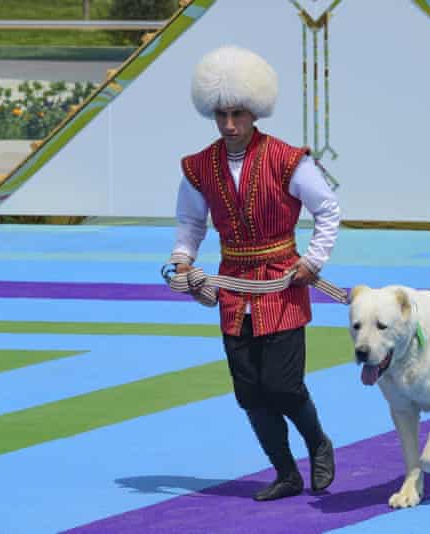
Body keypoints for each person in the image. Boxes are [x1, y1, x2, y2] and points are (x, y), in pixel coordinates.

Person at [167, 45, 341, 502]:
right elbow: (190, 223)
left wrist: (313, 261)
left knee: (282, 386)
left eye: (238, 114)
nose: (229, 125)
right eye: (221, 114)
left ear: (254, 111)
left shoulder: (289, 159)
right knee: (249, 393)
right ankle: (286, 473)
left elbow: (327, 209)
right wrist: (183, 261)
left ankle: (318, 443)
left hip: (282, 285)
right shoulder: (198, 167)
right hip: (230, 291)